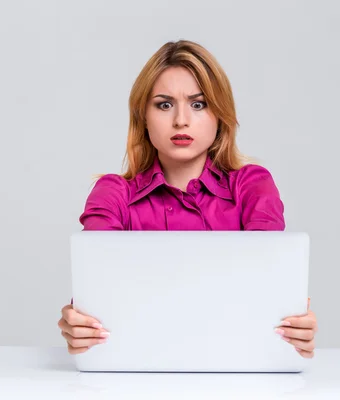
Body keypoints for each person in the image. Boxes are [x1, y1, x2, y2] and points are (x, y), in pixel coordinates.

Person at [58, 40, 318, 358]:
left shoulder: (252, 186)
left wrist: (293, 327)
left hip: (237, 365)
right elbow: (97, 298)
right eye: (164, 105)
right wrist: (80, 323)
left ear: (220, 115)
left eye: (198, 104)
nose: (181, 120)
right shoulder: (113, 194)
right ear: (143, 118)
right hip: (135, 369)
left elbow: (265, 290)